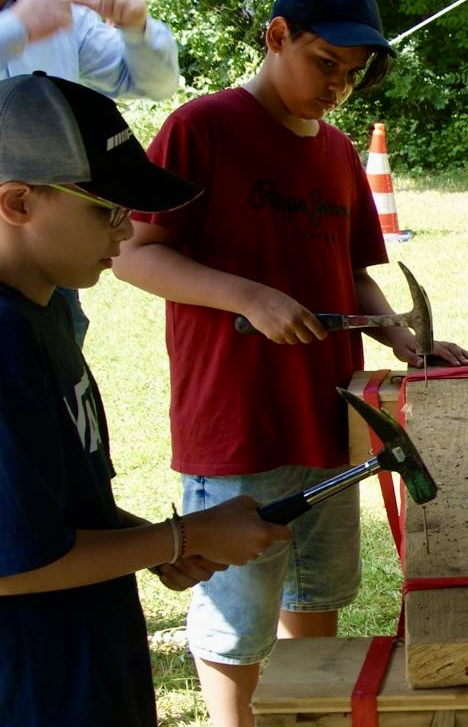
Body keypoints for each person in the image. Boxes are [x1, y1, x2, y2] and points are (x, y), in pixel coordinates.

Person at [112, 0, 468, 727]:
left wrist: (403, 337)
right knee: (235, 619)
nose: (338, 87)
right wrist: (247, 295)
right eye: (324, 63)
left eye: (353, 74)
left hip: (331, 419)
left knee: (317, 596)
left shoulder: (339, 153)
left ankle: (308, 714)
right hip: (235, 421)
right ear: (276, 37)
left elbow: (353, 276)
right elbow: (136, 253)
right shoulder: (202, 128)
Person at [0, 73, 289, 727]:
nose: (126, 235)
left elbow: (49, 508)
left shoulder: (41, 310)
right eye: (108, 210)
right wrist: (184, 532)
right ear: (18, 202)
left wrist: (153, 542)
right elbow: (13, 563)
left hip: (89, 668)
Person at [0, 0, 181, 345]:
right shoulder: (30, 17)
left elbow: (152, 83)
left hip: (46, 266)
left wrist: (138, 29)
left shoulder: (52, 14)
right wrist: (15, 31)